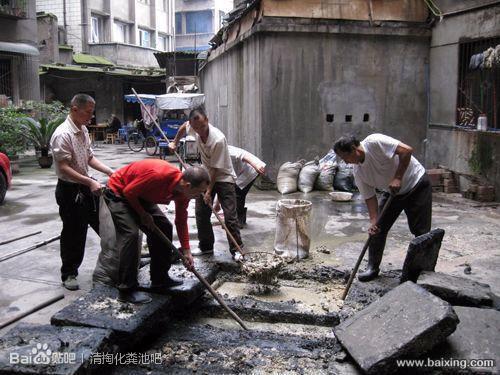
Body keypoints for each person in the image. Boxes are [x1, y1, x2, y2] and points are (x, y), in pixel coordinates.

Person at [105, 160, 209, 304]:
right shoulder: (158, 176)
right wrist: (142, 214)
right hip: (118, 191)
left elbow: (180, 220)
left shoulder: (184, 193)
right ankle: (126, 290)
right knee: (131, 234)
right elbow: (128, 191)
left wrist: (186, 251)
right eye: (199, 192)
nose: (200, 196)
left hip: (140, 194)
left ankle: (160, 279)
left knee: (164, 226)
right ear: (188, 185)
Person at [333, 134, 432, 282]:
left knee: (420, 231)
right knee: (378, 228)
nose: (345, 162)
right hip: (392, 193)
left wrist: (398, 177)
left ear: (354, 149)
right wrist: (373, 221)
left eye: (345, 157)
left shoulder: (375, 142)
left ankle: (424, 270)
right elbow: (369, 197)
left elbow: (406, 151)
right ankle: (372, 267)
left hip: (416, 184)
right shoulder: (358, 172)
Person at [50, 93, 114, 291]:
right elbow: (64, 167)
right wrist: (89, 181)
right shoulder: (63, 134)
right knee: (73, 233)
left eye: (92, 112)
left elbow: (88, 158)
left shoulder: (83, 130)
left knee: (104, 224)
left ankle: (119, 262)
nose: (91, 116)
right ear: (74, 109)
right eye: (88, 112)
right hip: (69, 190)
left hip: (85, 187)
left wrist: (111, 171)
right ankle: (69, 273)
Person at [169, 106, 244, 260]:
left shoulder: (218, 139)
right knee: (201, 213)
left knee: (229, 216)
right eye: (196, 127)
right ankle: (206, 247)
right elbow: (184, 127)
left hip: (223, 176)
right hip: (205, 174)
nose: (199, 131)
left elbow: (215, 170)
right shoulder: (193, 126)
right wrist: (175, 142)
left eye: (202, 126)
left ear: (207, 120)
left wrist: (209, 192)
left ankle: (237, 249)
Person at [214, 146, 266, 228]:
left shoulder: (226, 150)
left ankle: (237, 222)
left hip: (251, 169)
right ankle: (238, 219)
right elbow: (221, 183)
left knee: (237, 194)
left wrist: (256, 165)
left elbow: (243, 155)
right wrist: (217, 204)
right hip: (242, 172)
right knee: (236, 193)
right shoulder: (217, 159)